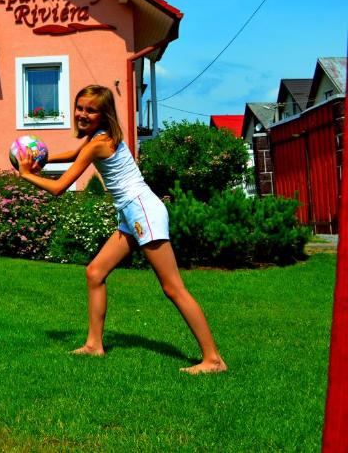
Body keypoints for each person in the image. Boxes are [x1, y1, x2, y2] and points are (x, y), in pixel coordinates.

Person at [15, 84, 227, 374]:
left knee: (172, 287)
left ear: (104, 114)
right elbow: (75, 155)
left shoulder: (99, 143)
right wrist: (43, 158)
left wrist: (27, 174)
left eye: (91, 110)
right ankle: (93, 345)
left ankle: (213, 359)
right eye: (80, 107)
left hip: (142, 211)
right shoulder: (97, 138)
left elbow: (59, 188)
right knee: (95, 273)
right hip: (131, 212)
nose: (83, 114)